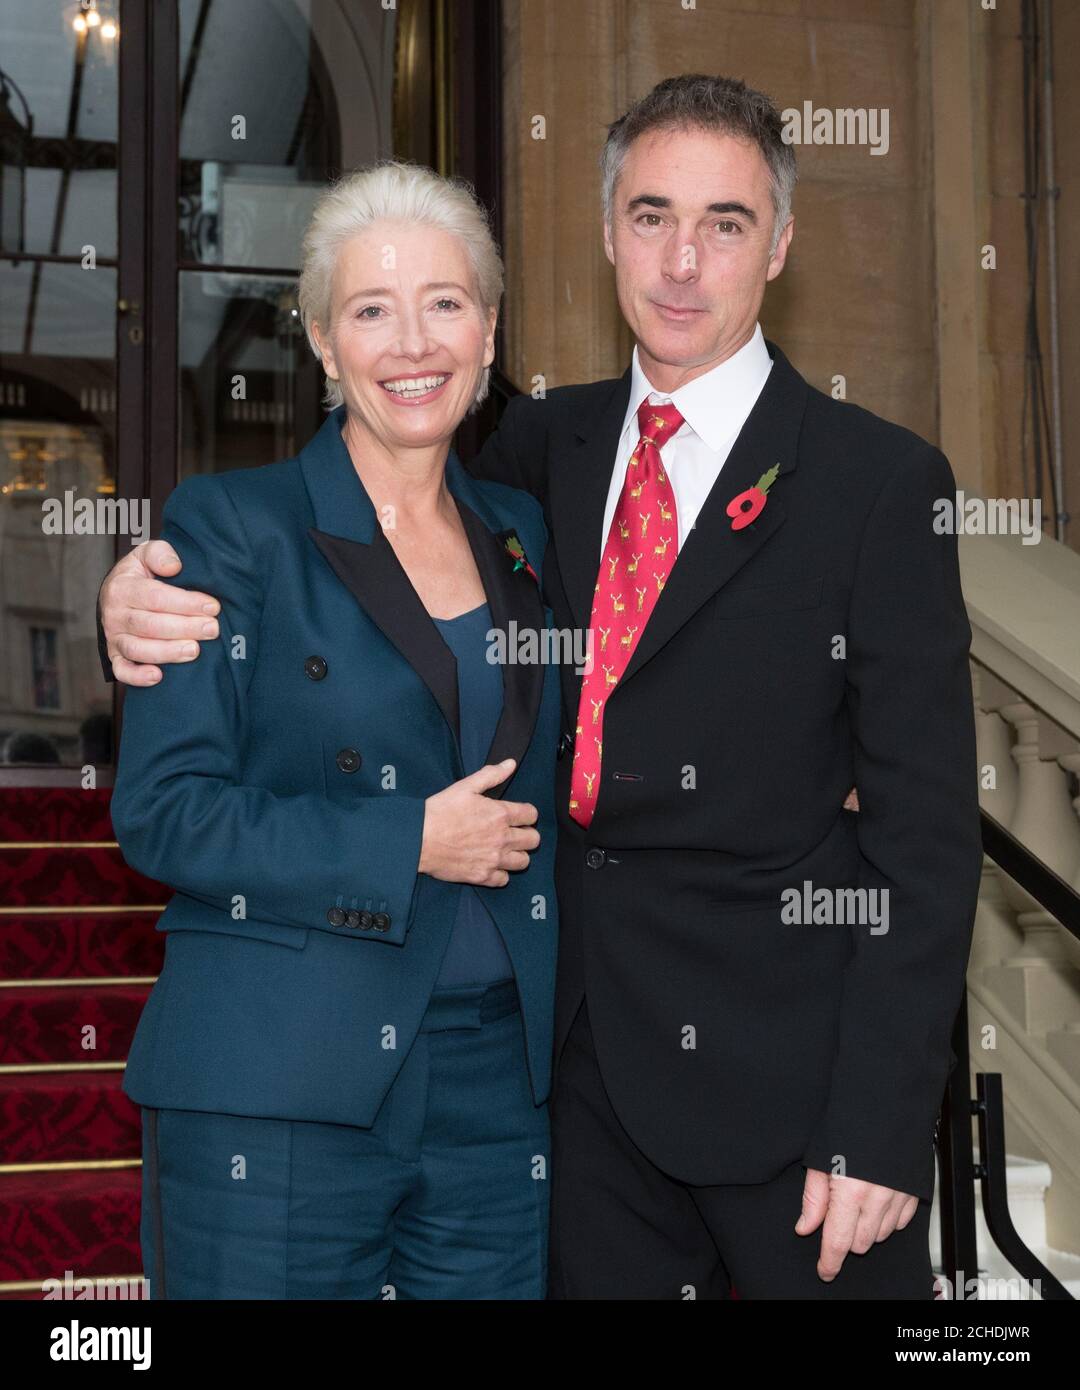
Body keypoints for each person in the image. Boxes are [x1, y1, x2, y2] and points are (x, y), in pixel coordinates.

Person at [99, 76, 983, 1300]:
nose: (682, 261)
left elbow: (928, 840)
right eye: (651, 214)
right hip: (565, 1101)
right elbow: (358, 509)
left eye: (725, 223)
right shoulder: (536, 458)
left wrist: (883, 1121)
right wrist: (134, 592)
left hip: (791, 1105)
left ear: (778, 245)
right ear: (607, 231)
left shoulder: (879, 484)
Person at [106, 161, 562, 1299]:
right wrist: (404, 840)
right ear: (320, 341)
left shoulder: (526, 532)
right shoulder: (228, 530)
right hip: (276, 1077)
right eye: (370, 310)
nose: (413, 342)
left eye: (446, 303)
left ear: (491, 330)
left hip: (496, 1091)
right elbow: (165, 815)